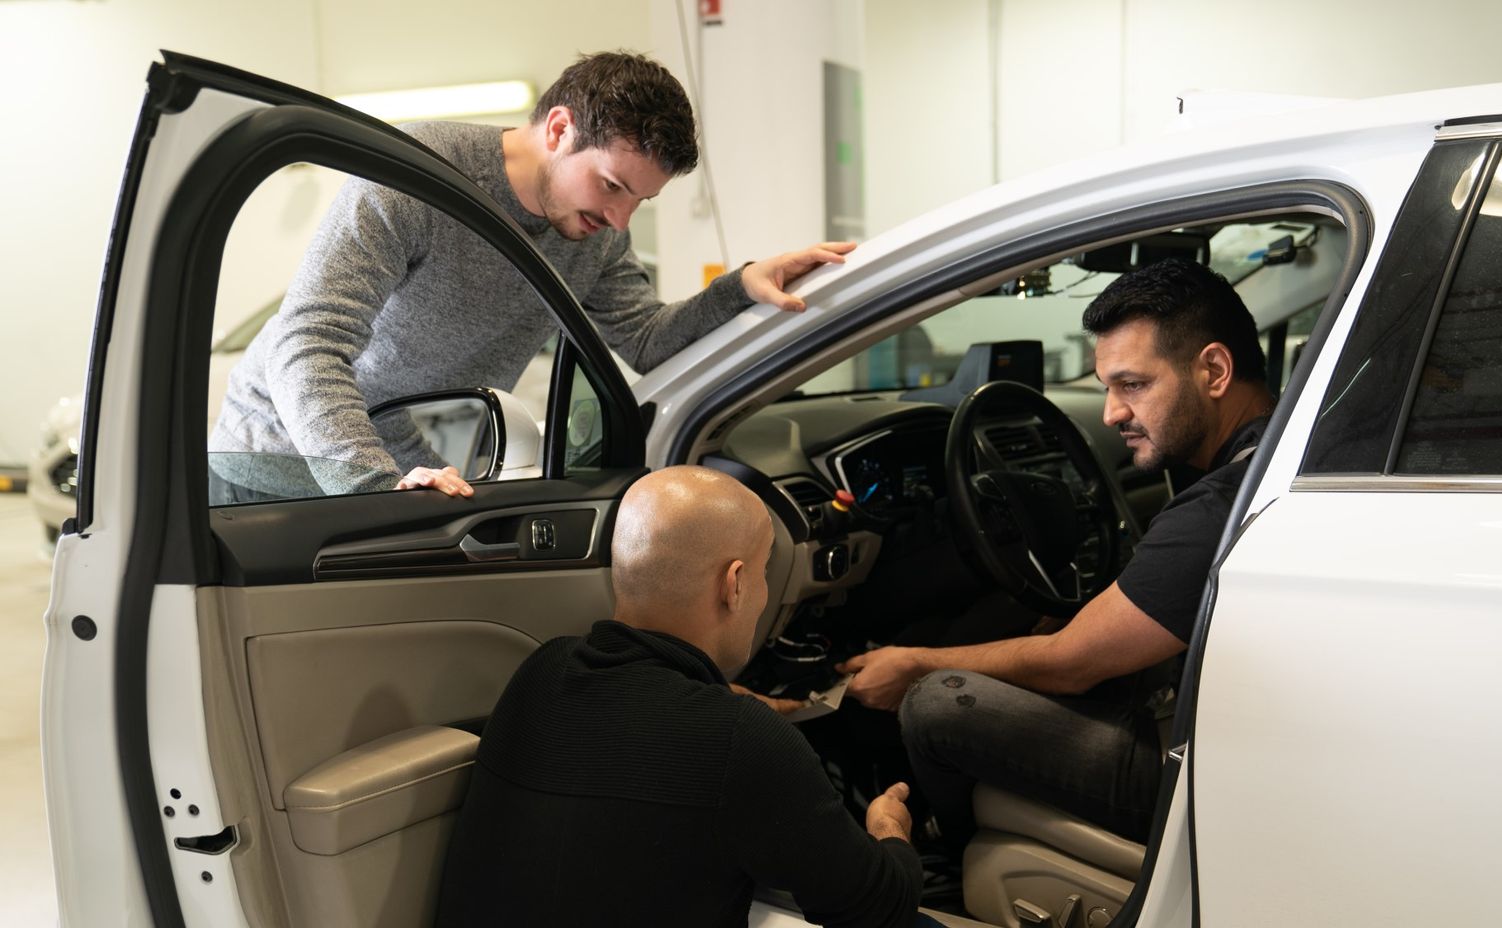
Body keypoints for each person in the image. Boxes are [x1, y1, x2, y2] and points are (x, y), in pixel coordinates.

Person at [209, 51, 853, 499]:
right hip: (276, 464)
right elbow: (309, 341)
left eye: (640, 202)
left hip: (400, 469)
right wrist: (374, 483)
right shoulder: (414, 174)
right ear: (559, 127)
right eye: (611, 186)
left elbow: (647, 339)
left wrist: (739, 287)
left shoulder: (591, 231)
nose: (620, 218)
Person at [838, 258, 1275, 847]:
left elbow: (1071, 663)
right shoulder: (1269, 458)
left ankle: (947, 859)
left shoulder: (1220, 507)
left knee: (936, 704)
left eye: (1133, 385)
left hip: (1193, 774)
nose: (1111, 413)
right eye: (1107, 389)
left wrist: (916, 663)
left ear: (1215, 370)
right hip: (1233, 740)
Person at [436, 466, 923, 928]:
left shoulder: (541, 672)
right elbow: (878, 911)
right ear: (734, 584)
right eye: (765, 569)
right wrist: (888, 828)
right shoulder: (741, 739)